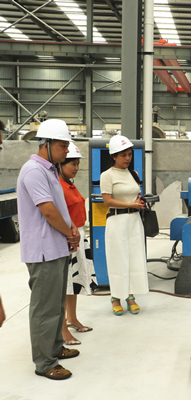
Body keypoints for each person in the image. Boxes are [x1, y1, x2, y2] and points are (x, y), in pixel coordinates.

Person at [17, 119, 81, 380]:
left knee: (55, 304)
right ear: (46, 144)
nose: (67, 150)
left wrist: (71, 229)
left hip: (56, 248)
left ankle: (55, 348)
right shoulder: (33, 171)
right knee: (44, 307)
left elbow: (59, 208)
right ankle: (44, 362)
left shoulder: (51, 170)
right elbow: (48, 211)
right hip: (43, 250)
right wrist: (69, 232)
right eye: (63, 146)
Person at [100, 135, 148, 315]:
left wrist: (139, 201)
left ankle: (130, 296)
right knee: (117, 259)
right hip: (117, 221)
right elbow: (107, 201)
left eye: (129, 154)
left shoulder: (133, 174)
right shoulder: (107, 175)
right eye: (123, 155)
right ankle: (115, 297)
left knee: (134, 258)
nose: (127, 158)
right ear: (113, 156)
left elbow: (136, 194)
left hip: (134, 221)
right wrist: (131, 205)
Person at [58, 142, 96, 344]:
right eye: (72, 164)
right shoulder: (57, 185)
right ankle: (62, 328)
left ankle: (72, 318)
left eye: (78, 164)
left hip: (79, 234)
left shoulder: (70, 184)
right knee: (64, 284)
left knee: (74, 283)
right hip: (67, 238)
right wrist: (70, 236)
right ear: (60, 164)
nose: (76, 168)